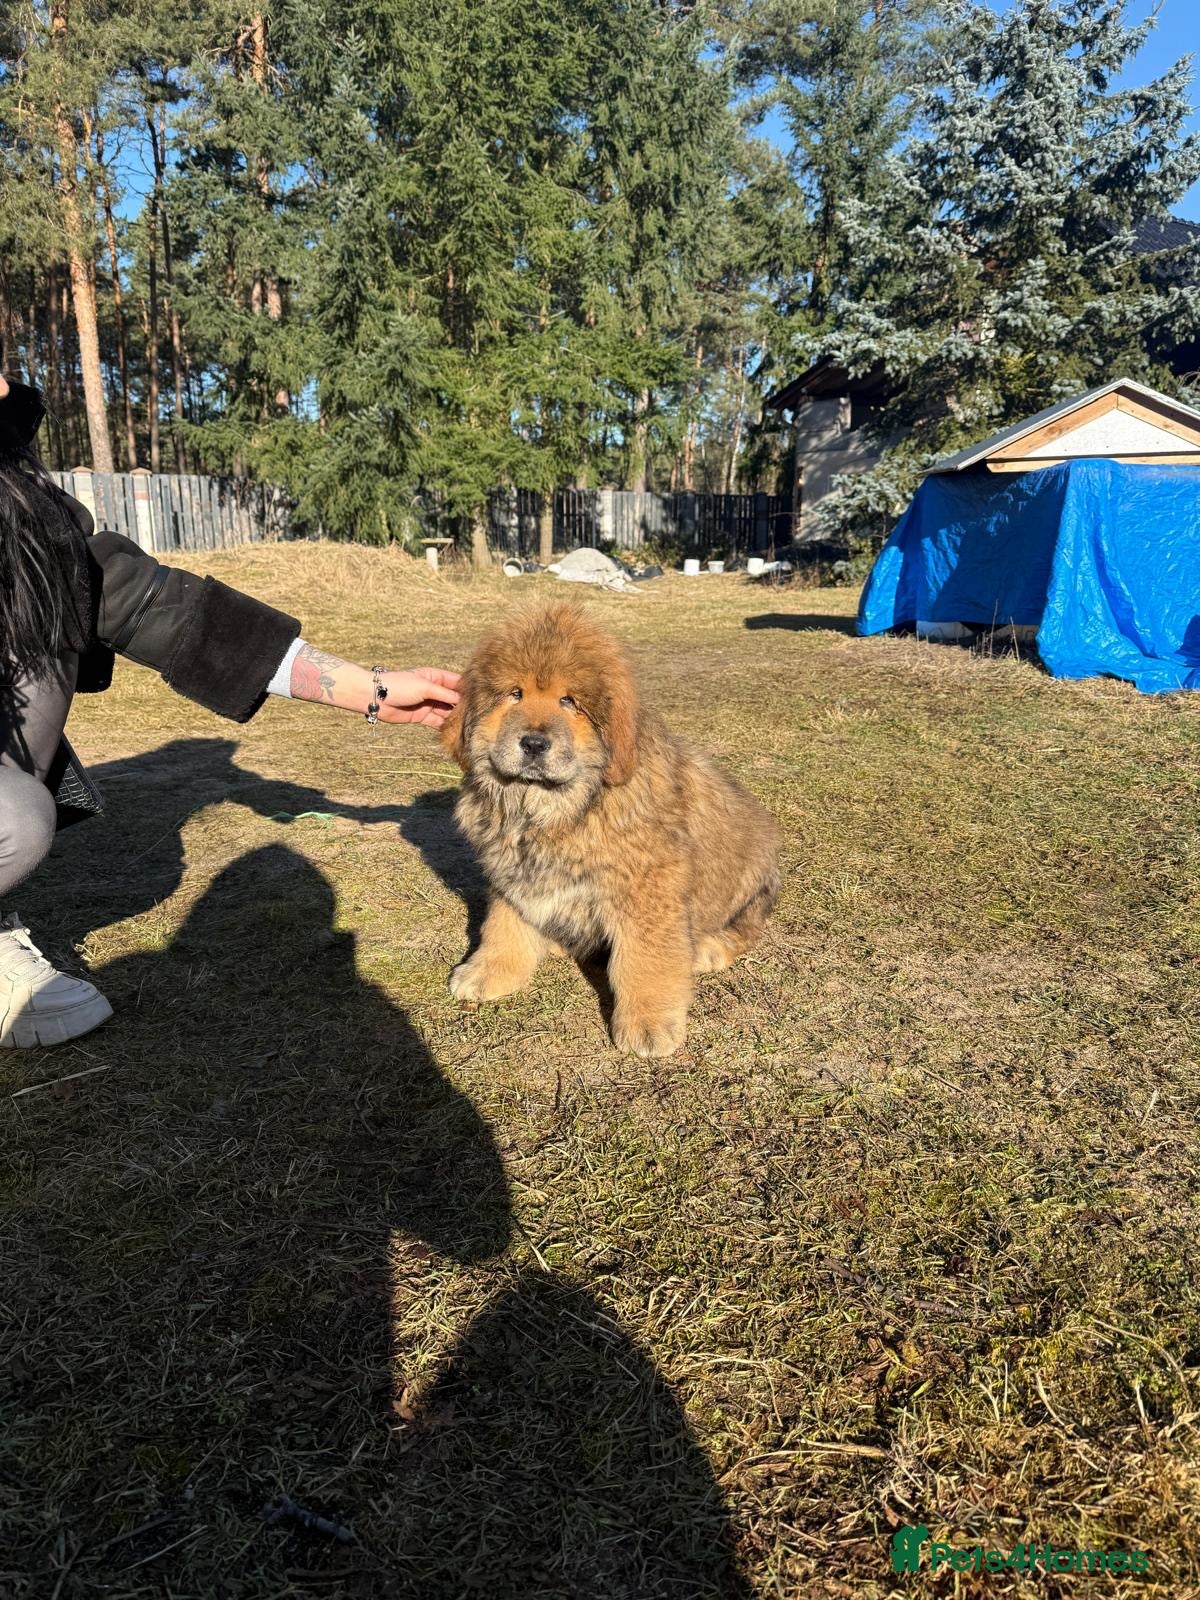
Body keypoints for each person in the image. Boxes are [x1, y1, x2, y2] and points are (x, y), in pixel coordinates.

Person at [0, 373, 460, 1049]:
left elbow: (167, 612)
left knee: (15, 813)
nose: (5, 382)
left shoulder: (28, 518)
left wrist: (374, 690)